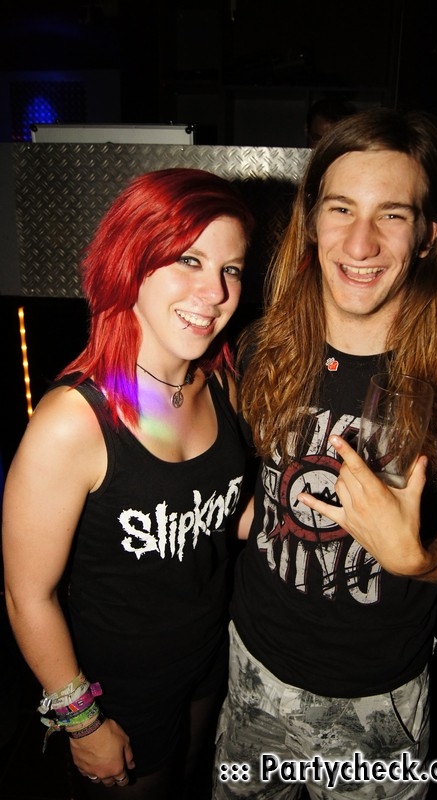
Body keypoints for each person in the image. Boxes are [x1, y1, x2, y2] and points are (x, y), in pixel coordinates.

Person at [213, 108, 437, 799]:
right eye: (341, 208)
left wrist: (420, 560)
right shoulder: (260, 346)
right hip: (251, 669)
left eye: (392, 214)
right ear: (311, 220)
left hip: (376, 702)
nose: (361, 241)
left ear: (428, 237)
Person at [2, 167, 255, 799]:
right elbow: (28, 595)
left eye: (231, 269)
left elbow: (224, 514)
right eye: (189, 260)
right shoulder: (73, 422)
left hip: (208, 657)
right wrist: (82, 722)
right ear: (130, 261)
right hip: (120, 686)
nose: (215, 292)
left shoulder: (220, 384)